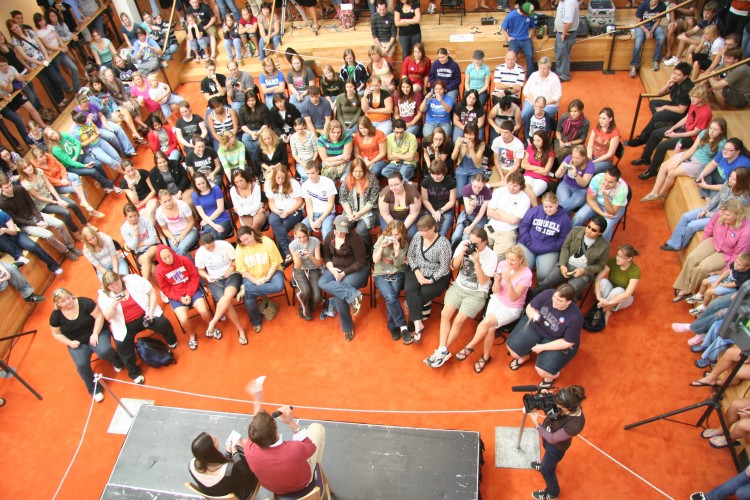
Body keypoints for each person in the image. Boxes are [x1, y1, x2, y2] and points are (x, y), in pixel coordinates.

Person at [424, 227, 498, 368]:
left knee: (458, 321)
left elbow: (483, 281)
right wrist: (462, 253)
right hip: (459, 287)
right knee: (445, 314)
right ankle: (442, 349)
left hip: (477, 293)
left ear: (484, 243)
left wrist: (476, 262)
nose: (472, 246)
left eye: (475, 244)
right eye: (471, 241)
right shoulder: (464, 245)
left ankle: (441, 351)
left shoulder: (491, 256)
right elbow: (453, 267)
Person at [98, 271, 179, 385]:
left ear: (119, 278)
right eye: (112, 286)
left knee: (162, 322)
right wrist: (114, 303)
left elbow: (151, 292)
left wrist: (150, 312)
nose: (116, 287)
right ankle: (134, 372)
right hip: (124, 324)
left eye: (117, 283)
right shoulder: (104, 296)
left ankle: (172, 340)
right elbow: (108, 316)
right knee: (122, 346)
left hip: (144, 315)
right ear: (107, 287)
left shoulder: (133, 280)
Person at [50, 288, 121, 402]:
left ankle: (115, 359)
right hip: (77, 343)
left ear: (71, 295)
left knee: (105, 351)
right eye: (63, 301)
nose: (67, 302)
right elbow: (56, 334)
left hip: (96, 333)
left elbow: (99, 317)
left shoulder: (85, 303)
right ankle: (94, 389)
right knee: (81, 365)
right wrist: (70, 343)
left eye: (68, 298)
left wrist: (95, 334)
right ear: (58, 304)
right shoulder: (55, 316)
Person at [507, 284, 583, 387]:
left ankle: (549, 378)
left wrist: (542, 347)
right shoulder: (548, 293)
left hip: (556, 339)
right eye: (554, 297)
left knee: (543, 370)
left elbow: (568, 342)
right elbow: (530, 307)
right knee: (514, 351)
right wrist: (533, 315)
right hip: (537, 326)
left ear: (568, 302)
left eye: (560, 301)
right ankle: (525, 356)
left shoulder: (575, 317)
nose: (554, 302)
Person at [673, 199, 750, 300]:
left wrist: (726, 269)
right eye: (723, 213)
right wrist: (703, 242)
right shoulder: (719, 214)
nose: (722, 216)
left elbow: (738, 254)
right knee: (692, 257)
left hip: (728, 253)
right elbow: (709, 228)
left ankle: (689, 289)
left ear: (737, 215)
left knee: (702, 267)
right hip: (714, 241)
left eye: (727, 215)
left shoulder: (746, 231)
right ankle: (682, 284)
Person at [634, 86, 713, 180]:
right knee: (655, 133)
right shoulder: (694, 103)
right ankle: (645, 158)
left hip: (691, 139)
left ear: (702, 98)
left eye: (695, 97)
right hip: (683, 129)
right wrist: (673, 128)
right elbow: (687, 118)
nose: (692, 98)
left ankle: (652, 171)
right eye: (692, 96)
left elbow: (695, 132)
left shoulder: (706, 113)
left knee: (662, 146)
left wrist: (676, 135)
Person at [661, 167, 749, 252]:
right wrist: (705, 209)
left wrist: (708, 214)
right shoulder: (727, 184)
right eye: (730, 177)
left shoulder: (743, 198)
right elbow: (717, 198)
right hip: (712, 210)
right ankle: (673, 243)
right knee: (686, 216)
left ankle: (678, 246)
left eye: (734, 179)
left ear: (741, 182)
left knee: (692, 226)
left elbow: (728, 214)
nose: (730, 179)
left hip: (722, 219)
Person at [0, 173, 82, 262]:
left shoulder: (19, 189)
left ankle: (71, 246)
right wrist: (36, 224)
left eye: (10, 185)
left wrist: (40, 219)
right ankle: (66, 251)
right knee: (48, 235)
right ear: (1, 189)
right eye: (6, 188)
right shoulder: (2, 202)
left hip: (36, 215)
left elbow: (31, 205)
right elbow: (16, 219)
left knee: (60, 224)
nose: (10, 188)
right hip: (25, 224)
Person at [245, 406, 326, 496]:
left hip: (274, 488)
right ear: (275, 427)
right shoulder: (296, 449)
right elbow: (311, 447)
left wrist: (257, 400)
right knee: (317, 428)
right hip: (302, 484)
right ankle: (315, 466)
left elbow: (254, 427)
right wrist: (292, 423)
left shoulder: (248, 449)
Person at [643, 118, 728, 202]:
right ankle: (654, 192)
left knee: (671, 173)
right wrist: (679, 161)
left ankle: (661, 194)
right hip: (691, 155)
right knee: (663, 166)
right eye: (711, 128)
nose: (711, 131)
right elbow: (692, 149)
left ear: (721, 131)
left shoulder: (722, 143)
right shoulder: (704, 133)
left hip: (700, 163)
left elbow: (716, 161)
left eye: (715, 129)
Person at [529, 385, 587, 500]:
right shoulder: (565, 399)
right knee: (546, 450)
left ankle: (552, 493)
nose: (557, 405)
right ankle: (547, 463)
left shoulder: (575, 425)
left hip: (556, 447)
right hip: (547, 435)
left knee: (546, 470)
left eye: (559, 405)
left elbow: (552, 439)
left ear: (568, 407)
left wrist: (537, 424)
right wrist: (546, 395)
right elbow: (553, 401)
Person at [533, 215, 610, 296]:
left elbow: (600, 266)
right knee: (547, 281)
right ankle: (531, 300)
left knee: (569, 293)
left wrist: (584, 270)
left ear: (600, 233)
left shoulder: (604, 246)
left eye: (593, 230)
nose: (588, 230)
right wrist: (562, 264)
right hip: (566, 264)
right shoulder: (576, 231)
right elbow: (565, 247)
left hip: (584, 271)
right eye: (588, 226)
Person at [403, 215, 452, 343]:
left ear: (434, 228)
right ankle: (418, 324)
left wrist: (431, 280)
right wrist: (417, 272)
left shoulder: (443, 244)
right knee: (410, 289)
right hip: (416, 270)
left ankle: (412, 326)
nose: (423, 233)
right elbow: (411, 256)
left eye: (426, 230)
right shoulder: (417, 236)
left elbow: (444, 267)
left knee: (419, 296)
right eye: (421, 230)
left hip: (436, 276)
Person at [318, 215, 368, 340]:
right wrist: (333, 270)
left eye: (343, 230)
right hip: (335, 268)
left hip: (354, 269)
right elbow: (327, 257)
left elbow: (360, 261)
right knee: (322, 282)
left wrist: (343, 273)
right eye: (338, 229)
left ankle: (347, 327)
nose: (340, 233)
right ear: (334, 227)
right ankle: (353, 295)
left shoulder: (355, 238)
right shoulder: (330, 236)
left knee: (339, 295)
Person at [155, 244, 213, 351]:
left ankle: (211, 327)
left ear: (172, 253)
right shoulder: (158, 271)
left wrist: (189, 293)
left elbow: (194, 276)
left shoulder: (184, 260)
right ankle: (192, 335)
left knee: (204, 311)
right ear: (160, 259)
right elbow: (166, 289)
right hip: (177, 297)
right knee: (183, 320)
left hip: (192, 291)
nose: (168, 259)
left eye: (169, 256)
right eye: (164, 258)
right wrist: (180, 298)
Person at [626, 62, 694, 148]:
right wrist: (667, 85)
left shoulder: (687, 89)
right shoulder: (676, 81)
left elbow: (682, 110)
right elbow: (659, 93)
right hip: (674, 105)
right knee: (653, 103)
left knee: (657, 116)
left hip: (681, 114)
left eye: (678, 75)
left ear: (685, 76)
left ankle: (643, 138)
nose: (675, 76)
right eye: (674, 73)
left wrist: (665, 107)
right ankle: (662, 123)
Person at [195, 232, 246, 344]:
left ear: (215, 241)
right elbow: (200, 270)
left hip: (231, 275)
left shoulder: (224, 245)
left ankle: (213, 322)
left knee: (227, 297)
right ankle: (240, 329)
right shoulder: (199, 253)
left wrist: (232, 267)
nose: (212, 248)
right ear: (202, 244)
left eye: (213, 245)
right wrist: (207, 276)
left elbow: (236, 259)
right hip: (215, 280)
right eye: (208, 248)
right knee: (226, 302)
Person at [235, 225, 285, 333]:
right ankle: (256, 321)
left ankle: (246, 290)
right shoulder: (240, 247)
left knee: (278, 286)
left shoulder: (266, 241)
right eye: (243, 241)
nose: (246, 242)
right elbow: (242, 270)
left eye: (247, 238)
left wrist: (267, 278)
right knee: (249, 298)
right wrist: (255, 281)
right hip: (252, 276)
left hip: (271, 271)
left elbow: (275, 263)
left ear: (252, 233)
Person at [30, 147, 103, 219]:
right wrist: (63, 182)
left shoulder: (49, 156)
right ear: (36, 159)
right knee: (79, 189)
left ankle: (84, 202)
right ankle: (90, 210)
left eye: (44, 155)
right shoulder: (37, 169)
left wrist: (64, 177)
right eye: (41, 157)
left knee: (75, 176)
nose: (44, 157)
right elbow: (49, 180)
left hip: (63, 176)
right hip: (56, 185)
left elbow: (60, 166)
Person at [519, 192, 573, 281]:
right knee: (522, 270)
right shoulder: (535, 210)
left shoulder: (564, 219)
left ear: (557, 204)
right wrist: (528, 242)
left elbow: (563, 239)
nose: (548, 210)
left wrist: (548, 247)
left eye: (551, 207)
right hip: (528, 244)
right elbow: (524, 226)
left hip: (548, 249)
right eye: (545, 207)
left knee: (543, 275)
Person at [189, 432, 258, 499]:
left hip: (218, 493)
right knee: (243, 442)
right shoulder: (229, 470)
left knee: (242, 443)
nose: (215, 437)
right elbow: (246, 476)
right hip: (241, 494)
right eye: (215, 440)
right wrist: (235, 452)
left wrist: (228, 453)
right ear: (213, 451)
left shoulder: (191, 466)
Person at [373, 219, 409, 340]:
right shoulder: (381, 239)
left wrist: (397, 249)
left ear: (401, 234)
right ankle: (402, 326)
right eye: (391, 234)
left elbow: (399, 264)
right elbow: (375, 260)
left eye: (396, 234)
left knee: (391, 296)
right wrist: (381, 247)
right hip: (381, 273)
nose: (393, 237)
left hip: (397, 272)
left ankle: (393, 325)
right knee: (390, 296)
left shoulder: (404, 243)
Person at [571, 167, 629, 241]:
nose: (606, 183)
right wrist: (602, 213)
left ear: (617, 182)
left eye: (610, 182)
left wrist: (606, 196)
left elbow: (612, 212)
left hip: (614, 208)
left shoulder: (622, 189)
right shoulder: (597, 178)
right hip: (596, 202)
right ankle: (571, 238)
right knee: (578, 216)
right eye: (605, 179)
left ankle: (600, 249)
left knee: (606, 227)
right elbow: (590, 199)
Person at [0, 207, 62, 275]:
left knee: (33, 246)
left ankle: (54, 267)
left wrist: (4, 230)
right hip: (3, 243)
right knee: (2, 239)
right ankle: (18, 256)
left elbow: (14, 232)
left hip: (14, 235)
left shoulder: (3, 215)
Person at [265, 165, 304, 266]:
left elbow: (299, 201)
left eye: (283, 177)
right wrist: (276, 211)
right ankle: (289, 252)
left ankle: (286, 253)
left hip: (293, 210)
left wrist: (288, 212)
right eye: (278, 178)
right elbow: (271, 202)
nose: (281, 180)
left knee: (281, 228)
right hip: (278, 210)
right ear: (274, 177)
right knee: (273, 221)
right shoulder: (269, 184)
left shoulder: (293, 183)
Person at [594, 244, 641, 325]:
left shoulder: (635, 271)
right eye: (617, 255)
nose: (617, 258)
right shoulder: (613, 261)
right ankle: (605, 309)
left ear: (629, 258)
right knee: (603, 281)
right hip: (610, 290)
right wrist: (599, 297)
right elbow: (598, 278)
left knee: (619, 291)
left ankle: (603, 310)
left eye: (621, 257)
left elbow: (627, 294)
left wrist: (608, 303)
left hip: (623, 297)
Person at [486, 171, 531, 256]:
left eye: (515, 186)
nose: (511, 188)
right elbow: (489, 213)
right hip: (490, 227)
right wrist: (508, 218)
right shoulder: (499, 191)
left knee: (497, 257)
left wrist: (497, 210)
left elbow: (514, 220)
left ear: (521, 186)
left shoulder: (524, 199)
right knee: (478, 249)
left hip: (508, 232)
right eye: (510, 184)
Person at [290, 223, 323, 321]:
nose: (302, 239)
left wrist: (310, 256)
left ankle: (309, 307)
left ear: (308, 233)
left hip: (314, 269)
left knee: (317, 297)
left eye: (304, 236)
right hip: (300, 270)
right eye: (299, 237)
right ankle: (304, 310)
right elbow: (298, 266)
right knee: (305, 291)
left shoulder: (315, 241)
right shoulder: (293, 245)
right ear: (295, 234)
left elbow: (319, 264)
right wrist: (298, 258)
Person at [155, 189, 199, 257]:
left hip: (189, 231)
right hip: (174, 234)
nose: (168, 203)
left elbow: (191, 222)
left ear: (172, 198)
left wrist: (183, 235)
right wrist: (172, 238)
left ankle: (188, 267)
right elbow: (164, 229)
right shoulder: (159, 212)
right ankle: (190, 265)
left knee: (181, 249)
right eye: (165, 202)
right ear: (160, 202)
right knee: (179, 250)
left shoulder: (182, 205)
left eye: (169, 200)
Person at [451, 174, 491, 248]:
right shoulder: (466, 189)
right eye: (475, 186)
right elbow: (468, 211)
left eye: (479, 187)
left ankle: (464, 254)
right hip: (466, 215)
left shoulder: (487, 192)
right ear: (472, 182)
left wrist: (471, 226)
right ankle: (452, 251)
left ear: (484, 185)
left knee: (466, 238)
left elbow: (482, 212)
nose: (476, 190)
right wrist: (472, 206)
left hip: (480, 218)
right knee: (456, 236)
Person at [629, 0, 667, 77]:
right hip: (642, 25)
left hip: (654, 26)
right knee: (638, 41)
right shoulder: (643, 5)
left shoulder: (662, 5)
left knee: (661, 38)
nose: (655, 1)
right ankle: (634, 65)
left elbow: (658, 21)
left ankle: (655, 61)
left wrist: (652, 31)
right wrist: (646, 31)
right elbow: (638, 21)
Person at [379, 171, 421, 238]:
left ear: (402, 182)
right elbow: (385, 214)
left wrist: (402, 229)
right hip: (390, 218)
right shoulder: (384, 194)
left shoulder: (413, 193)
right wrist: (395, 228)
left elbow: (413, 213)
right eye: (391, 185)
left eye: (396, 184)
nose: (394, 188)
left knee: (410, 235)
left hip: (407, 217)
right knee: (390, 235)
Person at [301, 161, 337, 239]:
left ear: (318, 171)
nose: (310, 176)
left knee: (326, 232)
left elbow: (331, 205)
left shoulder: (328, 182)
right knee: (300, 229)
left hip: (328, 214)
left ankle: (327, 251)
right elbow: (309, 206)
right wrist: (311, 221)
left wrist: (320, 220)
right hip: (313, 214)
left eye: (312, 173)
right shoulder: (305, 185)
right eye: (308, 173)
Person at [420, 160, 456, 237]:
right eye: (433, 174)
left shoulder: (451, 182)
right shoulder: (426, 181)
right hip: (430, 209)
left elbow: (452, 201)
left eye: (438, 174)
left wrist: (440, 211)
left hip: (446, 210)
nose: (435, 177)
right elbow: (425, 200)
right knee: (424, 231)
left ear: (443, 172)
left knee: (441, 235)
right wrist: (433, 212)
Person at [193, 172, 233, 240]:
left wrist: (207, 220)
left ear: (206, 181)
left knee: (217, 237)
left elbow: (220, 209)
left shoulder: (216, 189)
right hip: (209, 222)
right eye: (199, 184)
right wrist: (214, 225)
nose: (202, 186)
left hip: (222, 219)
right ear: (195, 185)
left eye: (203, 183)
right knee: (210, 239)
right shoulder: (195, 195)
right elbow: (202, 213)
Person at [521, 57, 561, 124]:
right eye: (540, 68)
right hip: (532, 101)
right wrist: (534, 102)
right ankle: (524, 127)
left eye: (544, 68)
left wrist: (543, 104)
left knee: (541, 117)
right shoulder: (533, 75)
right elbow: (526, 91)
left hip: (548, 104)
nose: (542, 70)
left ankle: (540, 132)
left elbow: (557, 96)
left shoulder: (554, 78)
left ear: (549, 68)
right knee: (525, 113)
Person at [502, 3, 536, 74]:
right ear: (523, 12)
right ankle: (512, 73)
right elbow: (504, 28)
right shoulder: (511, 16)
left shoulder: (530, 15)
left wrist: (529, 35)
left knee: (530, 55)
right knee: (511, 57)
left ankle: (530, 75)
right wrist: (508, 38)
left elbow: (532, 27)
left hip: (525, 39)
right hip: (514, 40)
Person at [522, 130, 555, 202]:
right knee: (526, 190)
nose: (535, 143)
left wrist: (530, 166)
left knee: (530, 195)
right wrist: (538, 168)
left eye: (538, 140)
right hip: (528, 175)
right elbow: (523, 165)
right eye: (534, 140)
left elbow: (545, 172)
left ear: (544, 141)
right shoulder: (530, 148)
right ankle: (535, 208)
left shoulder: (550, 153)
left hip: (542, 179)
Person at [490, 120, 525, 187]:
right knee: (492, 188)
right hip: (499, 168)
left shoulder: (519, 144)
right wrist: (501, 175)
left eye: (506, 132)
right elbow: (496, 160)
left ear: (512, 132)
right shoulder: (497, 140)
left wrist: (507, 176)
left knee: (505, 189)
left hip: (512, 171)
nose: (503, 134)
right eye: (502, 131)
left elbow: (517, 164)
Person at [586, 107, 620, 175]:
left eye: (603, 118)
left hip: (605, 160)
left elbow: (610, 154)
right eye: (600, 118)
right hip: (592, 155)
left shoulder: (615, 134)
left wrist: (594, 162)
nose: (601, 120)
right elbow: (590, 144)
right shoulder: (597, 126)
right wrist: (589, 158)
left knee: (590, 170)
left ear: (610, 119)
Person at [554, 0, 580, 82]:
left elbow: (568, 22)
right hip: (560, 32)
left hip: (566, 35)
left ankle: (564, 76)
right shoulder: (562, 1)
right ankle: (559, 71)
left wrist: (563, 34)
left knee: (563, 56)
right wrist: (557, 27)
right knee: (558, 53)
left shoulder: (570, 3)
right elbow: (561, 16)